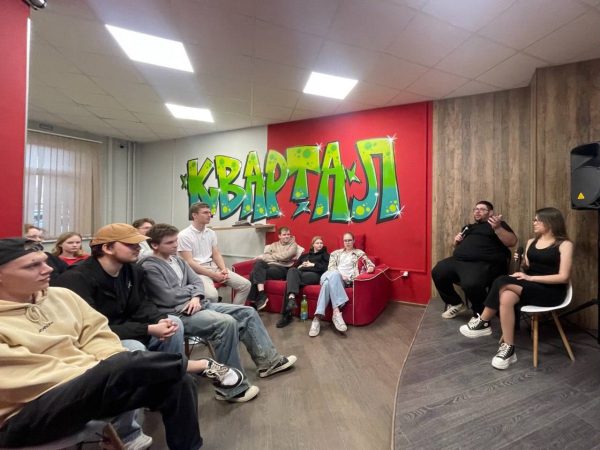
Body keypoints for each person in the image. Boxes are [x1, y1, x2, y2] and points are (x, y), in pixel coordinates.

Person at [0, 238, 241, 449]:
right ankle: (198, 365)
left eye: (44, 261)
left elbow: (98, 334)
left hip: (92, 385)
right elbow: (32, 379)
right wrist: (103, 372)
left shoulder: (61, 297)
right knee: (124, 360)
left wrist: (106, 371)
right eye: (32, 265)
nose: (48, 269)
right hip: (26, 414)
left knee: (177, 382)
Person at [140, 224, 298, 403]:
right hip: (179, 313)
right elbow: (169, 297)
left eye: (176, 241)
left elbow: (197, 282)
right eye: (170, 243)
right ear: (155, 245)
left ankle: (269, 362)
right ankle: (231, 389)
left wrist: (196, 296)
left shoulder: (177, 260)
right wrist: (192, 293)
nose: (176, 245)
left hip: (199, 304)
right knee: (226, 323)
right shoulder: (149, 267)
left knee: (247, 312)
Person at [459, 207, 573, 369]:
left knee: (501, 281)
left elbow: (563, 277)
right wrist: (523, 264)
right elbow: (527, 269)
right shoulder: (531, 242)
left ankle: (483, 321)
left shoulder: (565, 244)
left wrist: (530, 278)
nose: (534, 223)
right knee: (506, 296)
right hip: (531, 287)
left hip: (552, 292)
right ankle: (508, 349)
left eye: (537, 220)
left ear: (550, 222)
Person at [54, 223, 186, 355]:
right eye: (130, 244)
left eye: (138, 244)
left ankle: (173, 367)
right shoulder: (77, 278)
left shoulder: (133, 271)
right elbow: (91, 328)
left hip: (129, 328)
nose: (138, 248)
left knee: (174, 324)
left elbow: (142, 304)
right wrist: (146, 329)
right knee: (134, 347)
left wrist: (159, 319)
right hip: (96, 337)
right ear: (108, 248)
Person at [431, 201, 518, 319]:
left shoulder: (499, 225)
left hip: (483, 263)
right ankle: (456, 303)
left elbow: (512, 242)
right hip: (459, 261)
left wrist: (497, 228)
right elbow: (461, 248)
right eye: (476, 209)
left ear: (490, 213)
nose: (477, 211)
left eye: (482, 209)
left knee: (471, 283)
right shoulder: (469, 227)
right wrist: (456, 243)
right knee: (438, 271)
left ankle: (481, 314)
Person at [178, 202, 251, 304]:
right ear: (194, 215)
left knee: (246, 285)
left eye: (209, 212)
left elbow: (216, 254)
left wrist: (223, 269)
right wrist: (214, 275)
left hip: (213, 267)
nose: (209, 215)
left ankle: (235, 311)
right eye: (205, 213)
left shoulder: (211, 233)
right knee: (212, 296)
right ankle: (215, 314)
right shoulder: (184, 235)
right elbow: (189, 262)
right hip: (197, 271)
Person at [308, 232, 375, 337]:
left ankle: (316, 319)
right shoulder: (335, 253)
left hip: (344, 281)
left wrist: (370, 268)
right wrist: (339, 274)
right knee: (334, 274)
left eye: (349, 240)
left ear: (353, 241)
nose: (347, 242)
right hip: (330, 275)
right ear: (343, 242)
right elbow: (331, 268)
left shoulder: (359, 253)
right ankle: (336, 312)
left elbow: (370, 264)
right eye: (345, 240)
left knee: (326, 284)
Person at [276, 236, 329, 328]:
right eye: (317, 243)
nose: (320, 245)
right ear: (313, 245)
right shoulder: (305, 255)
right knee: (292, 271)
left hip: (314, 275)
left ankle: (286, 316)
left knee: (290, 283)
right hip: (300, 273)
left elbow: (326, 268)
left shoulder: (325, 255)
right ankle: (291, 299)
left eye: (321, 243)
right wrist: (300, 266)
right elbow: (294, 267)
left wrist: (312, 264)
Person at [247, 227, 298, 311]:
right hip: (269, 265)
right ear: (279, 236)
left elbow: (285, 256)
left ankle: (254, 303)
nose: (287, 236)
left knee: (253, 273)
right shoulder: (274, 245)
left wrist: (272, 256)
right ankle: (261, 295)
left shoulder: (293, 245)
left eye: (288, 234)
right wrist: (275, 257)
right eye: (284, 234)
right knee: (258, 262)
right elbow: (265, 256)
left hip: (282, 268)